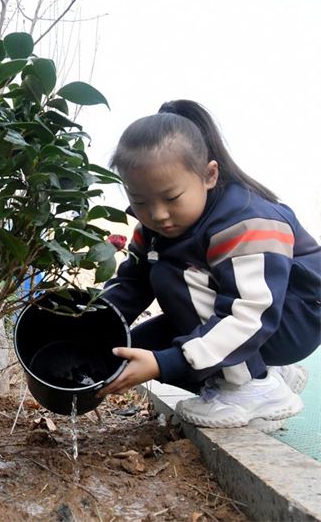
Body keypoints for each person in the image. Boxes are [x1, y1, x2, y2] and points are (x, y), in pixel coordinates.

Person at [96, 100, 321, 432]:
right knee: (128, 349)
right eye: (140, 202)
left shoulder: (246, 222)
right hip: (249, 313)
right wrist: (92, 326)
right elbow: (131, 284)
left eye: (171, 198)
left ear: (209, 175)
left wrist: (164, 363)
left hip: (289, 318)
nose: (157, 214)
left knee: (172, 274)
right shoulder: (155, 229)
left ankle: (250, 384)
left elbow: (250, 313)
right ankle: (262, 372)